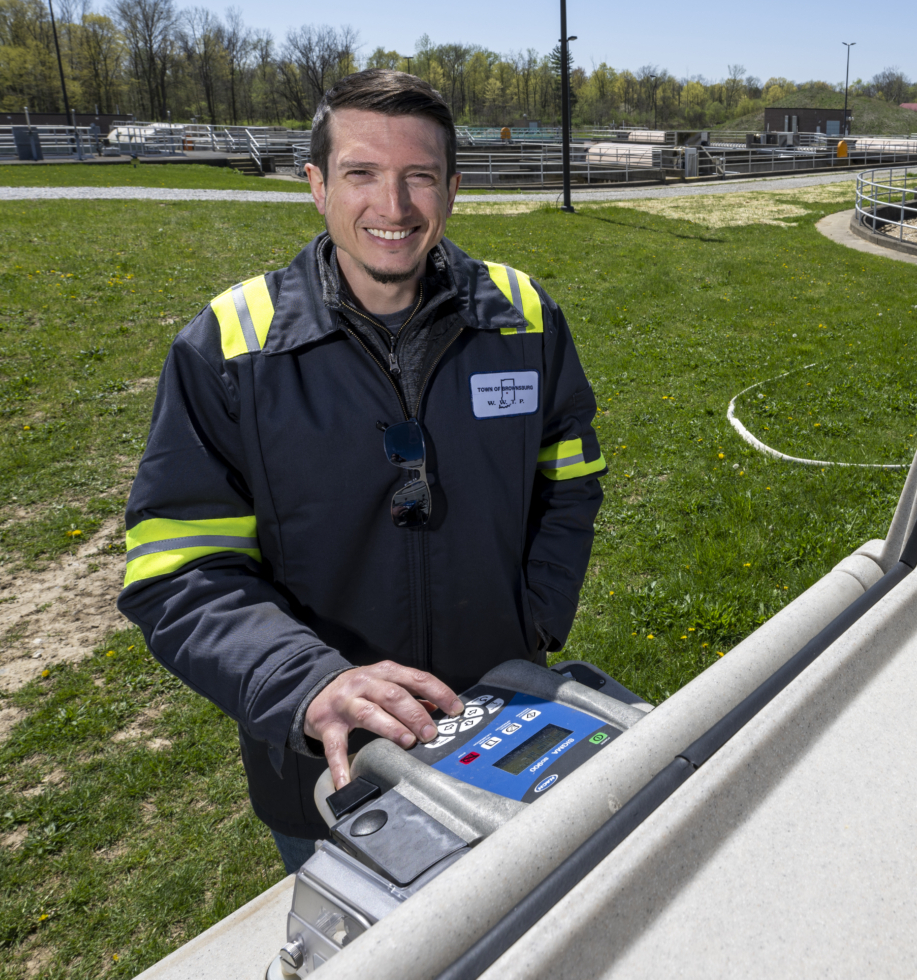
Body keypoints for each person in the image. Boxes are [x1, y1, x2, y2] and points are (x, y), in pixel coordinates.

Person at [117, 69, 608, 873]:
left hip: (505, 721)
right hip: (330, 769)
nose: (394, 205)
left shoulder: (523, 319)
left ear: (453, 189)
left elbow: (571, 478)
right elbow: (179, 568)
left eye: (420, 176)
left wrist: (537, 618)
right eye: (361, 174)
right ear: (316, 186)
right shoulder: (231, 348)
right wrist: (306, 684)